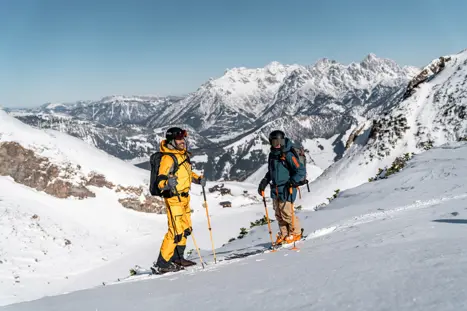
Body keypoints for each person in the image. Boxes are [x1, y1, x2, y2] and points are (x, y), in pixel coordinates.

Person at [152, 127, 206, 274]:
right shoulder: (168, 158)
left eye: (183, 139)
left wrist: (197, 179)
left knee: (186, 229)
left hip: (184, 198)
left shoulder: (182, 155)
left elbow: (187, 173)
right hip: (173, 198)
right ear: (171, 141)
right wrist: (167, 184)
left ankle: (178, 258)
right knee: (175, 231)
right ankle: (162, 264)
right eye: (179, 139)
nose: (183, 142)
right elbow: (160, 179)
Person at [258, 130, 306, 245]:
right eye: (274, 142)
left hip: (287, 187)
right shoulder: (272, 155)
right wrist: (264, 181)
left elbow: (300, 170)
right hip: (275, 188)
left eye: (279, 141)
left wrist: (292, 181)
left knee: (287, 213)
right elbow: (271, 171)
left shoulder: (288, 154)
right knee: (278, 214)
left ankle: (296, 233)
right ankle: (285, 234)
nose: (277, 144)